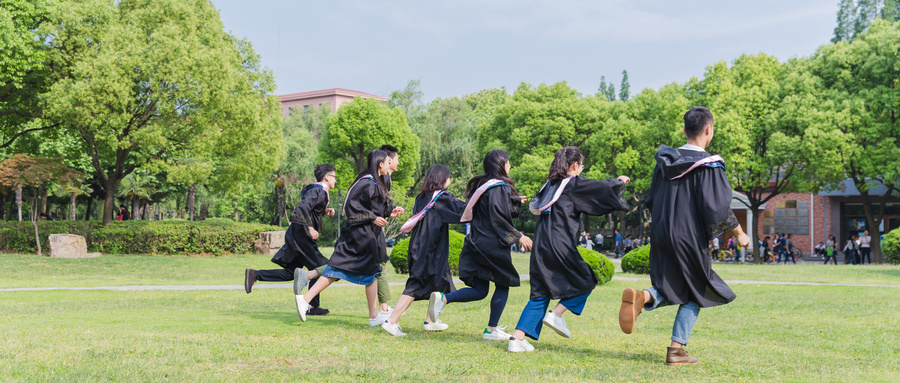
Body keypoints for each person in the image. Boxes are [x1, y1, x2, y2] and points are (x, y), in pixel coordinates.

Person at [618, 106, 750, 366]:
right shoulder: (709, 165)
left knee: (679, 286)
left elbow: (652, 200)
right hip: (689, 236)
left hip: (661, 231)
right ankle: (676, 349)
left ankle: (645, 297)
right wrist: (740, 232)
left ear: (684, 130)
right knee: (699, 288)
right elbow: (717, 207)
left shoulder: (665, 160)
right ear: (709, 130)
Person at [507, 146, 630, 352]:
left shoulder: (549, 186)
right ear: (574, 165)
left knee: (540, 292)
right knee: (587, 279)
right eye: (581, 166)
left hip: (541, 245)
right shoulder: (572, 184)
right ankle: (556, 314)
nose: (581, 170)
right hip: (560, 244)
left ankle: (516, 339)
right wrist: (619, 182)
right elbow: (601, 189)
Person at [427, 149, 533, 342]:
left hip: (476, 242)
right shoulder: (500, 187)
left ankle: (444, 299)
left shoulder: (482, 185)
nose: (510, 166)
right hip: (493, 244)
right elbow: (498, 217)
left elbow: (491, 210)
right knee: (503, 283)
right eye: (508, 162)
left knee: (480, 290)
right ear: (502, 164)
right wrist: (518, 236)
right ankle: (491, 329)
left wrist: (514, 201)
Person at [295, 149, 405, 325]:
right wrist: (372, 217)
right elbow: (353, 209)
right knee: (336, 270)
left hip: (367, 236)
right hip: (357, 237)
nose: (391, 163)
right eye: (387, 161)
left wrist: (389, 212)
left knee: (373, 272)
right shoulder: (366, 182)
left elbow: (373, 208)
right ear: (380, 164)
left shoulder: (375, 183)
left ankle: (373, 316)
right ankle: (305, 299)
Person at [381, 165, 467, 336]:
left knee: (441, 280)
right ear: (442, 179)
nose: (450, 181)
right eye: (448, 178)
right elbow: (463, 210)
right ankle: (391, 321)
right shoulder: (442, 198)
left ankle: (430, 321)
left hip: (421, 245)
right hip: (430, 248)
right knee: (416, 283)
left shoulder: (422, 197)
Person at [244, 164, 336, 316]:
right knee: (323, 267)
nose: (335, 181)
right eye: (334, 177)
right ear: (327, 177)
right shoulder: (318, 190)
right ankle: (312, 305)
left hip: (297, 235)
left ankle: (255, 275)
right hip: (302, 237)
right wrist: (310, 228)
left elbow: (310, 209)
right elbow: (301, 209)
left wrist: (323, 212)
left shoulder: (318, 191)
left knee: (290, 273)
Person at [376, 144, 401, 314]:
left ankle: (383, 307)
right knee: (345, 267)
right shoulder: (383, 179)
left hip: (374, 226)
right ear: (388, 160)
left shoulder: (386, 179)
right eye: (397, 159)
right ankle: (383, 308)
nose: (399, 163)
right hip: (369, 229)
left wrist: (387, 214)